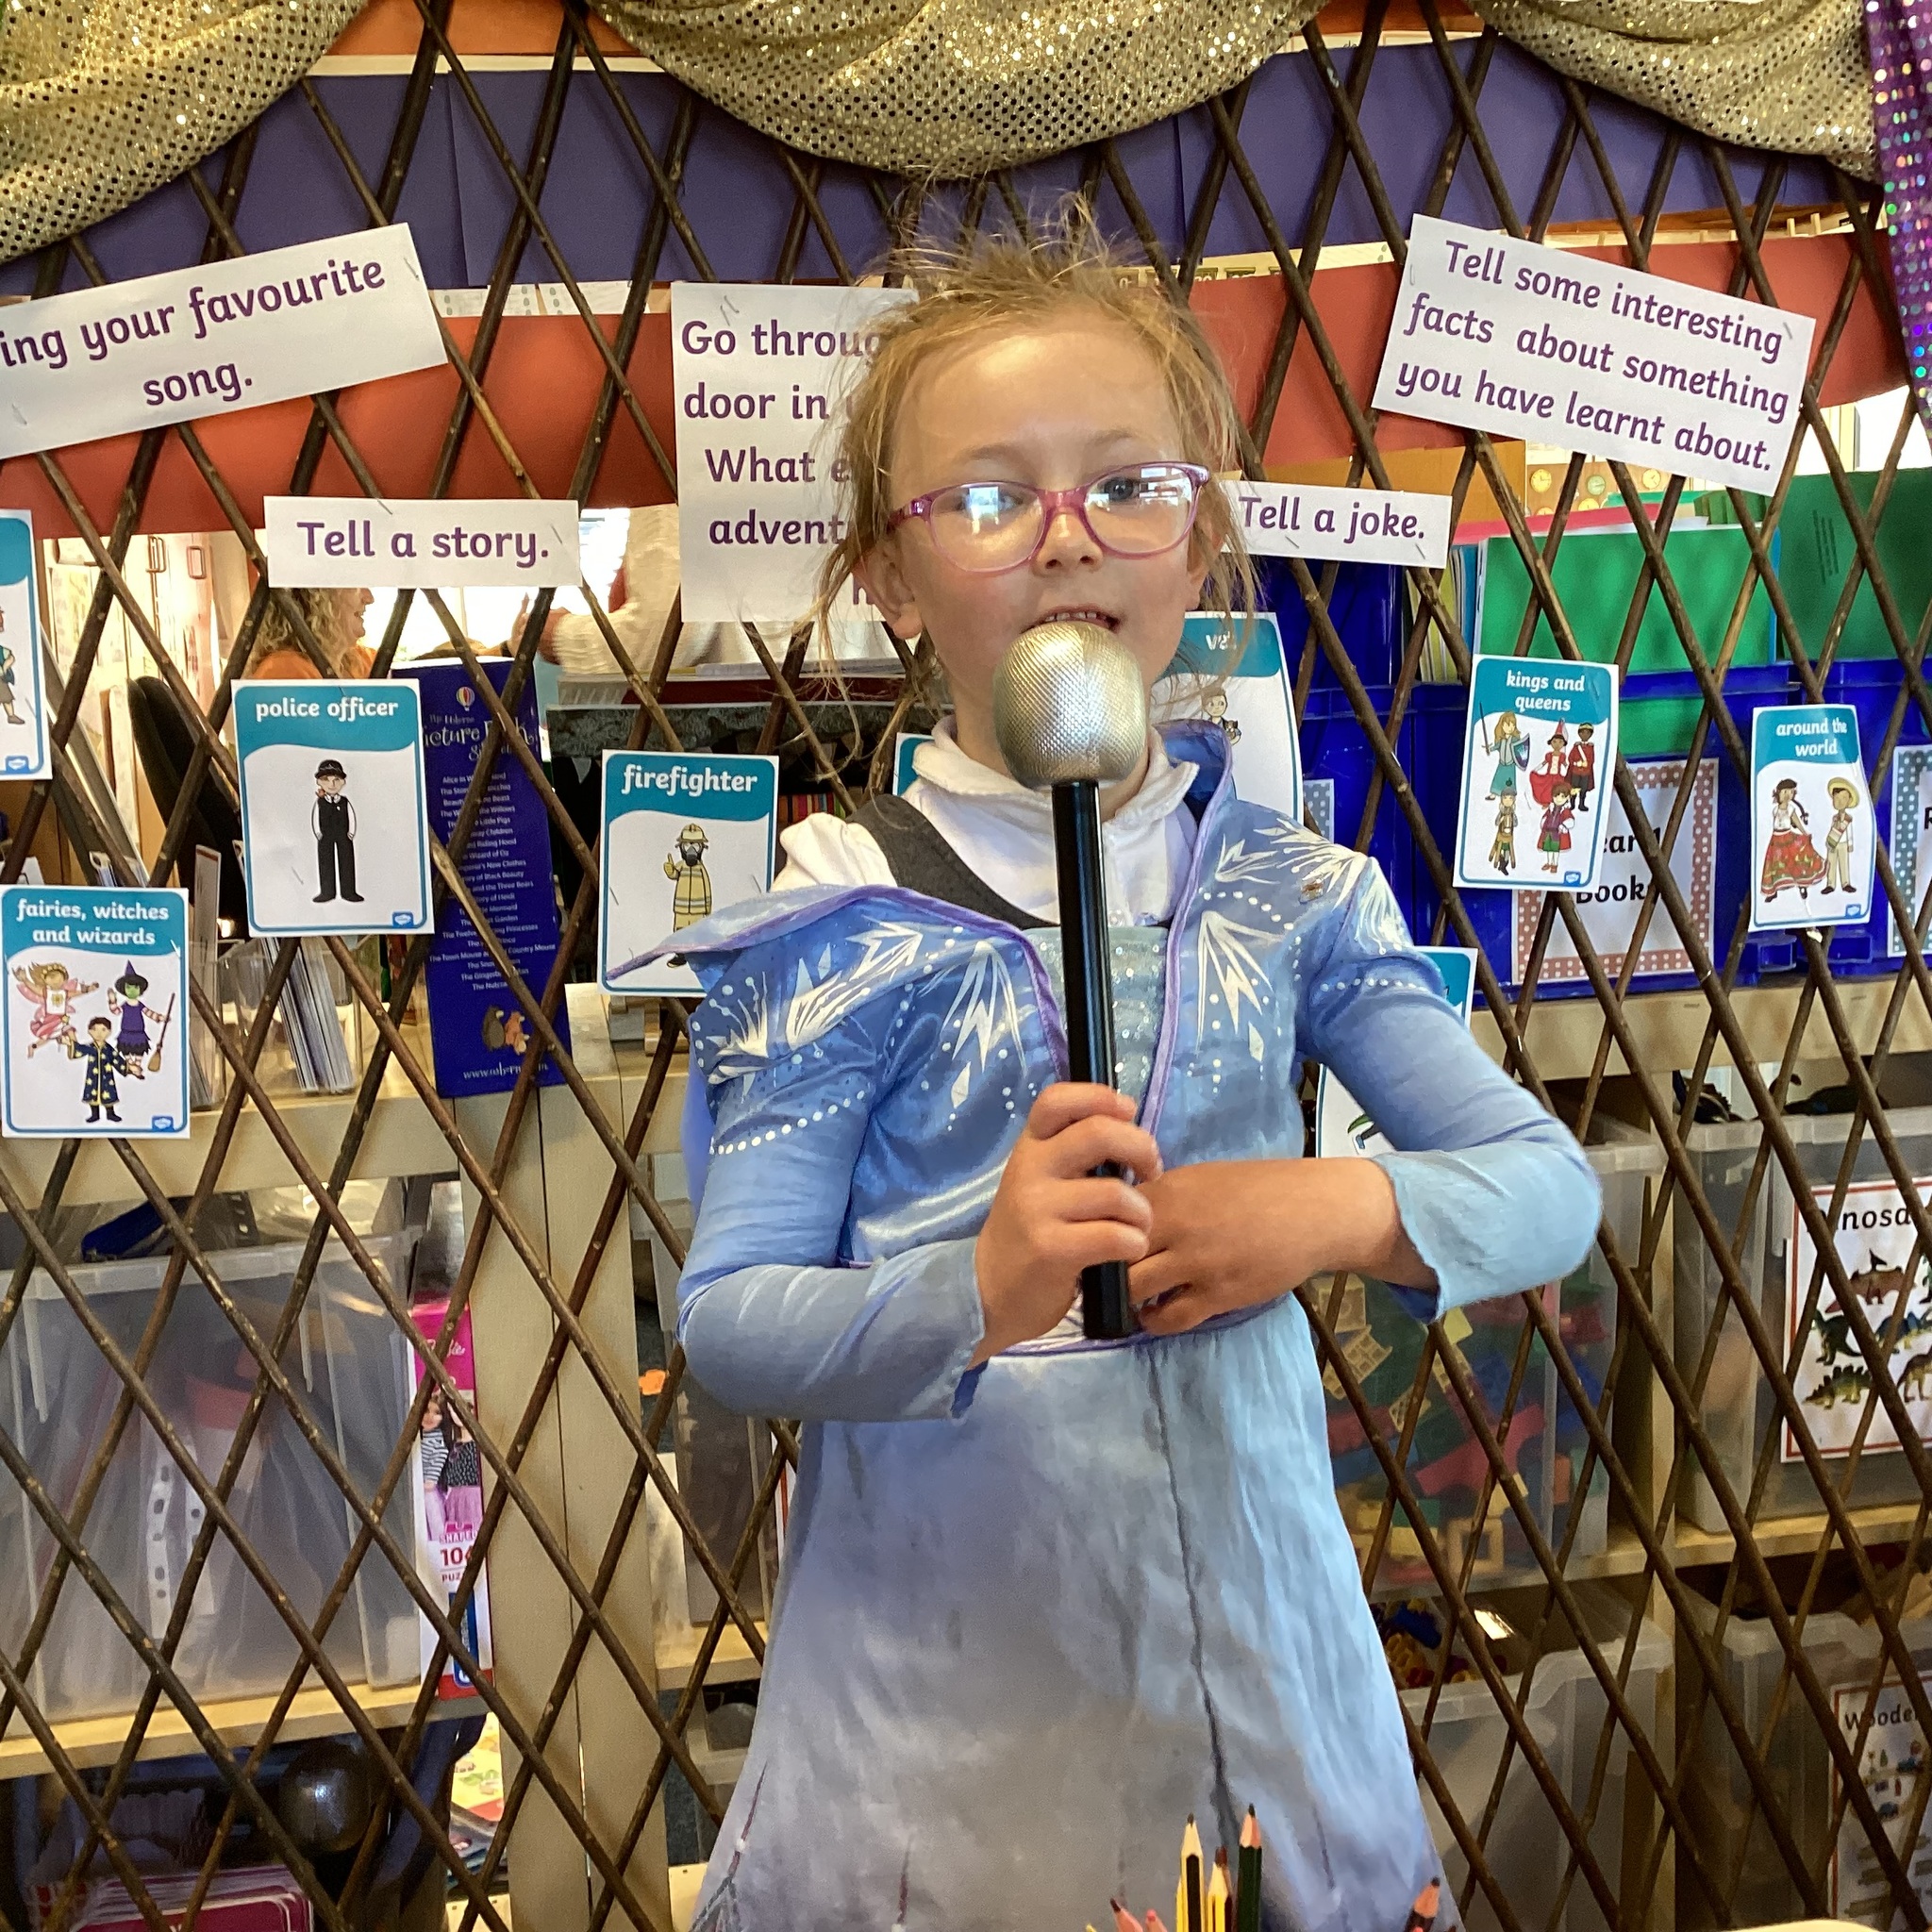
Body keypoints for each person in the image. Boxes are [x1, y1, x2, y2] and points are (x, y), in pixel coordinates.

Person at [650, 225, 1601, 1932]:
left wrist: (1326, 1208)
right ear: (889, 573)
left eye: (1125, 485)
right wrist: (978, 1288)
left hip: (1269, 1669)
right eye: (987, 498)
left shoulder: (1294, 893)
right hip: (949, 1717)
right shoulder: (837, 917)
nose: (1066, 535)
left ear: (1200, 533)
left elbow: (1546, 1187)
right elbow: (729, 1317)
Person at [244, 587, 375, 681]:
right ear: (316, 596)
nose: (370, 598)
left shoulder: (361, 660)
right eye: (355, 586)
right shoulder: (284, 671)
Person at [65, 1012, 141, 1124]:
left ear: (109, 1032)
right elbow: (78, 1050)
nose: (99, 1033)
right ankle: (94, 1114)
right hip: (93, 1078)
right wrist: (70, 1039)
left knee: (108, 1094)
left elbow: (117, 1060)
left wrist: (130, 1068)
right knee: (92, 1095)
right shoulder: (90, 1047)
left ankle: (110, 1114)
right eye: (95, 1030)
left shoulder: (108, 1049)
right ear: (90, 1031)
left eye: (103, 1030)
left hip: (107, 1078)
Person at [1761, 775, 1825, 902]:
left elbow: (1797, 822)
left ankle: (1802, 885)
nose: (1787, 795)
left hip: (1788, 838)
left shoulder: (1791, 809)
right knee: (1773, 865)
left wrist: (1804, 833)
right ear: (1779, 793)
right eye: (1785, 792)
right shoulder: (1775, 809)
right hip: (1776, 839)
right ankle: (1773, 891)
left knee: (1797, 862)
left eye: (1790, 792)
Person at [310, 758, 361, 905]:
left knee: (346, 861)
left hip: (343, 835)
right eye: (326, 780)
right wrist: (318, 833)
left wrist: (351, 833)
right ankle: (327, 892)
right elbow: (315, 817)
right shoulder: (320, 802)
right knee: (326, 862)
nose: (332, 784)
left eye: (336, 780)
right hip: (325, 836)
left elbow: (351, 816)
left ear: (343, 782)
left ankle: (348, 892)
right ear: (319, 782)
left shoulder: (344, 801)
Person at [663, 823, 714, 929]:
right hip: (681, 910)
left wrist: (708, 908)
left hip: (698, 912)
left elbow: (707, 888)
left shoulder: (701, 869)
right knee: (680, 934)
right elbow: (675, 874)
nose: (691, 850)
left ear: (701, 848)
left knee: (697, 933)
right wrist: (670, 871)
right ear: (681, 847)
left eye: (695, 846)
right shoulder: (681, 865)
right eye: (687, 846)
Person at [1823, 776, 1858, 894]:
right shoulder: (1834, 818)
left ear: (1849, 800)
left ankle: (1845, 883)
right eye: (1837, 798)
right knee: (1831, 863)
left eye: (1843, 798)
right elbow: (1832, 829)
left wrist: (1850, 844)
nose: (1840, 801)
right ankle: (1830, 884)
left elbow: (1850, 832)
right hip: (1833, 843)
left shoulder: (1848, 819)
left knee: (1844, 863)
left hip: (1843, 843)